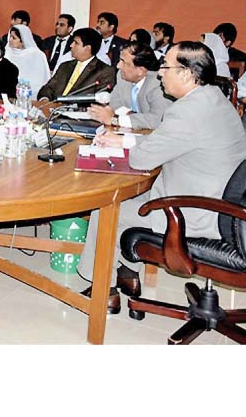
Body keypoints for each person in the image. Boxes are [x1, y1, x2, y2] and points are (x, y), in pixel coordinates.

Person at [78, 42, 246, 312]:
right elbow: (166, 144)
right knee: (134, 195)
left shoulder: (187, 111)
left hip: (198, 213)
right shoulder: (214, 98)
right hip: (221, 203)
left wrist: (121, 143)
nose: (160, 73)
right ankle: (128, 274)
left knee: (107, 209)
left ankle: (103, 289)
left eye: (166, 66)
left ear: (187, 73)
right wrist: (127, 140)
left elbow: (142, 159)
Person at [87, 41, 172, 130]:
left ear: (140, 71)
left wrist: (116, 120)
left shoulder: (159, 84)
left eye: (123, 62)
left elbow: (157, 120)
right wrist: (129, 114)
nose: (118, 66)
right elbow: (114, 102)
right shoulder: (122, 76)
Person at [37, 28, 116, 101]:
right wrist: (44, 100)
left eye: (76, 43)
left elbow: (100, 99)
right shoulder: (65, 66)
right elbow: (48, 88)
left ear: (87, 48)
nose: (71, 45)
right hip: (53, 109)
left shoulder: (104, 71)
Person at [3, 24, 51, 98]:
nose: (10, 40)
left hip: (30, 95)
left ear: (23, 41)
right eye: (10, 37)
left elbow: (40, 81)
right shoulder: (7, 52)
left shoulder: (37, 55)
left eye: (14, 38)